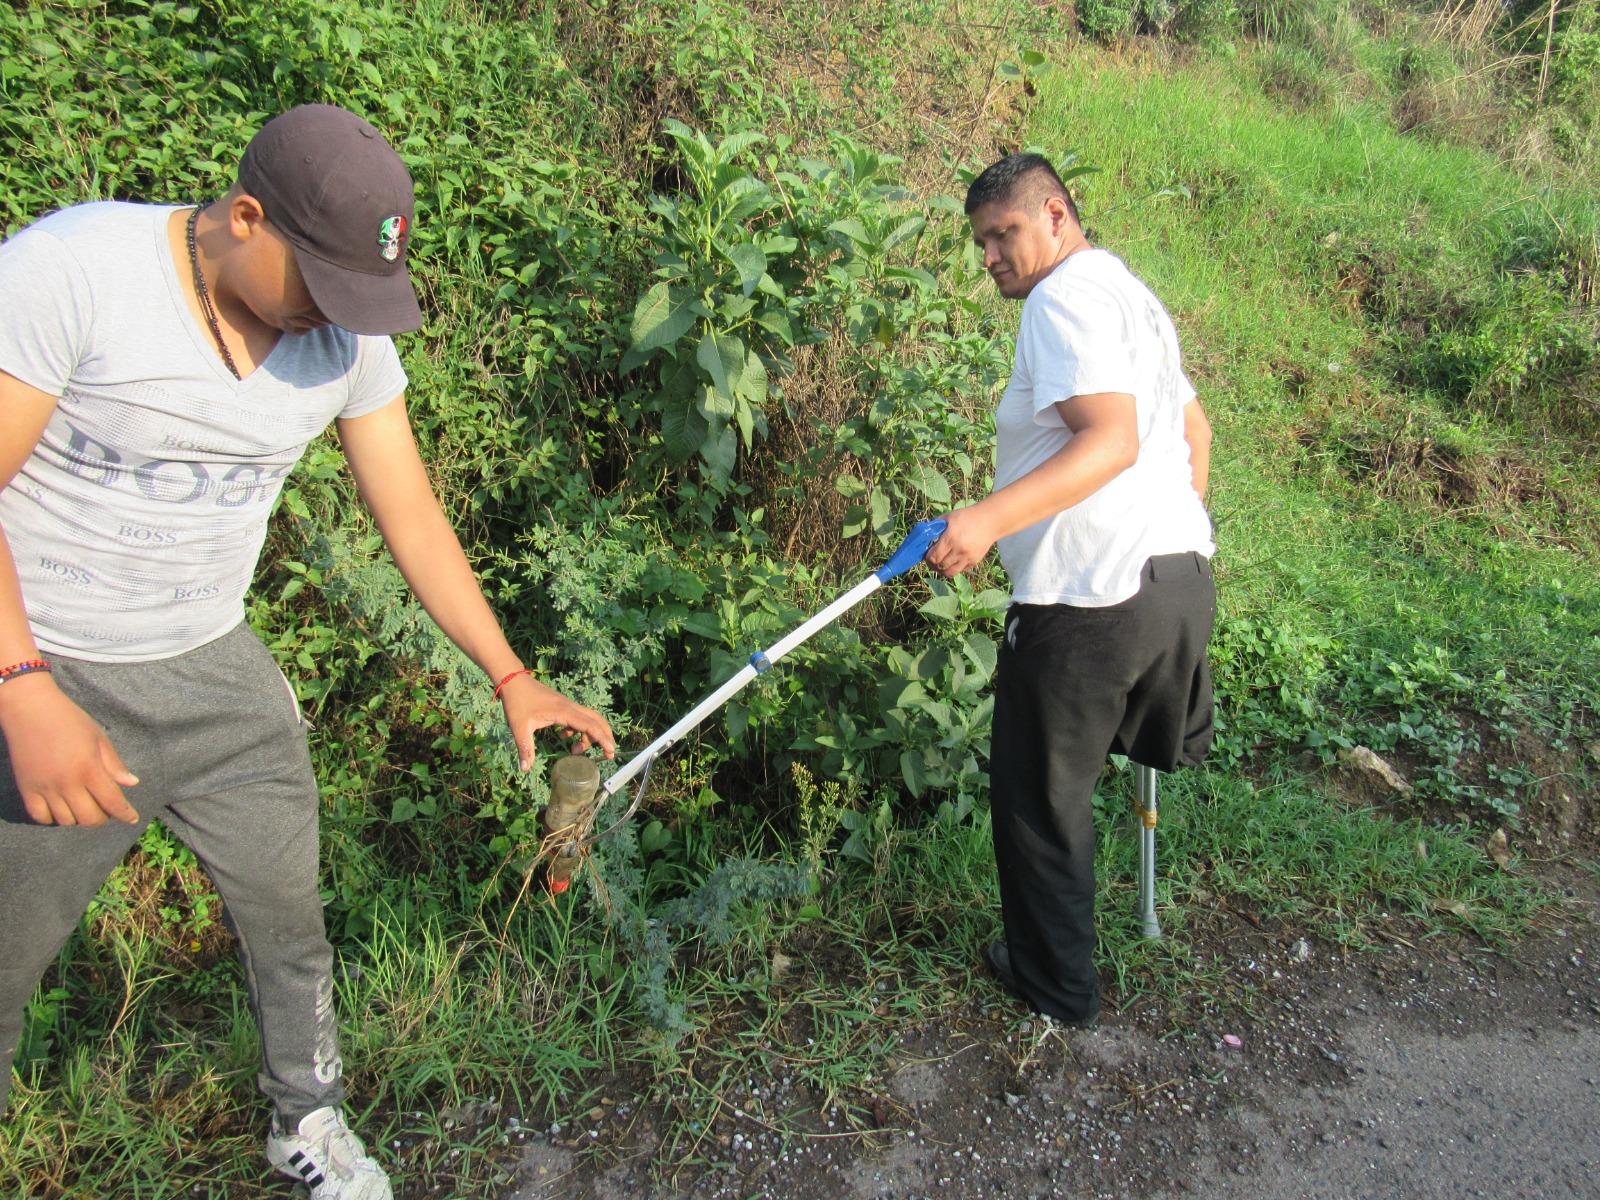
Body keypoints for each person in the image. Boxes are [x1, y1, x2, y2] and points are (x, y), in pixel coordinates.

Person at [0, 104, 615, 1199]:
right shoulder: (71, 272)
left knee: (289, 915)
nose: (333, 319)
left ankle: (308, 1119)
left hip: (214, 663)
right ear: (246, 218)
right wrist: (22, 687)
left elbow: (411, 512)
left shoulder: (343, 326)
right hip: (51, 669)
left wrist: (508, 674)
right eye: (318, 286)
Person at [926, 153, 1216, 1027]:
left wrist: (982, 520)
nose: (990, 256)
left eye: (1003, 233)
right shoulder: (1134, 297)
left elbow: (1113, 440)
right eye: (980, 243)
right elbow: (1193, 430)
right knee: (1078, 773)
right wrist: (1165, 530)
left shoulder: (1062, 298)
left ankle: (1054, 984)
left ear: (1055, 214)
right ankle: (1100, 939)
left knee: (1039, 793)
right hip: (1177, 582)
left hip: (1090, 598)